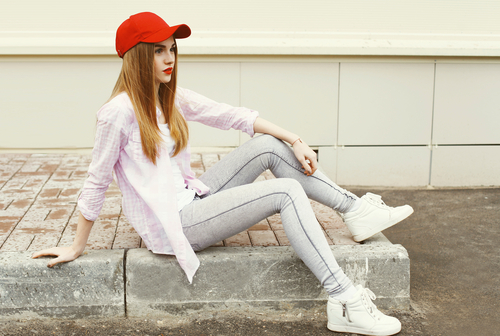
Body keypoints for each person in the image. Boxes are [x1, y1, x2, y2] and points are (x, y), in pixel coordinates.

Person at [32, 12, 413, 336]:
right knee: (285, 193)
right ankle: (344, 300)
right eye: (159, 50)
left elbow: (231, 115)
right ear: (136, 57)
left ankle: (355, 211)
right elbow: (96, 180)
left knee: (268, 145)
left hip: (194, 198)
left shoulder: (166, 95)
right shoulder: (117, 112)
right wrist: (77, 246)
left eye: (172, 48)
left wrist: (294, 138)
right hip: (173, 225)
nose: (170, 59)